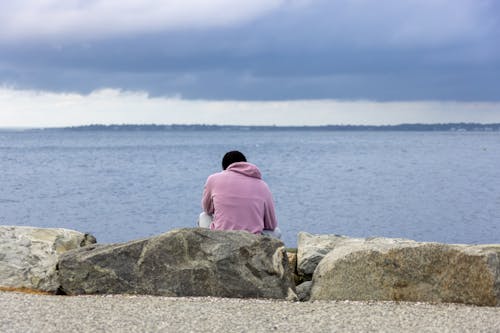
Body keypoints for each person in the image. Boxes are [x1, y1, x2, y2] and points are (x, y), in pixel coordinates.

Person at [199, 151, 281, 238]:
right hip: (253, 240)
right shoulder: (262, 185)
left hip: (221, 237)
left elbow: (207, 209)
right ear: (245, 165)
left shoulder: (213, 179)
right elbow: (271, 225)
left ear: (224, 168)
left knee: (203, 216)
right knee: (277, 231)